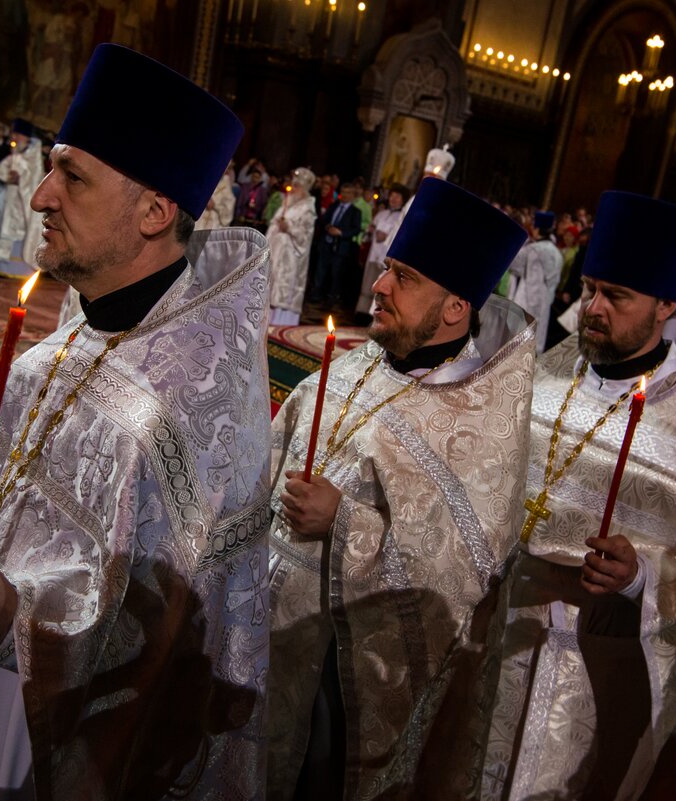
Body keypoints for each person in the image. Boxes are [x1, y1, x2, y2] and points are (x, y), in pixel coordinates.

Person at [0, 44, 270, 800]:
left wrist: (12, 622)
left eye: (72, 176)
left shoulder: (192, 402)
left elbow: (176, 635)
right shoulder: (69, 339)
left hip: (70, 741)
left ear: (155, 211)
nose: (41, 196)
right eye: (51, 169)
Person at [266, 177, 531, 800]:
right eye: (387, 269)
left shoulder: (482, 421)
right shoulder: (356, 365)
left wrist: (345, 523)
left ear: (456, 308)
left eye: (403, 277)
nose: (380, 286)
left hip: (345, 670)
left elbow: (463, 572)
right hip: (266, 630)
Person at [486, 191, 676, 801]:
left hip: (590, 657)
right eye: (589, 290)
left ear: (666, 306)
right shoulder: (545, 379)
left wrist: (639, 578)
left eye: (616, 296)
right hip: (497, 631)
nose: (593, 309)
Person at [0, 118, 44, 276]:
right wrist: (5, 177)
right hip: (9, 201)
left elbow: (35, 180)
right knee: (5, 228)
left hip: (23, 205)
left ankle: (20, 270)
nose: (15, 138)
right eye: (14, 134)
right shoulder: (13, 155)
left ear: (27, 137)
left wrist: (21, 179)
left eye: (18, 134)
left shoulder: (34, 158)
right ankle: (1, 267)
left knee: (19, 233)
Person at [266, 168, 318, 325]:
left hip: (291, 257)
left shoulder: (308, 209)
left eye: (297, 186)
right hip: (276, 253)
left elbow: (305, 236)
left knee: (284, 288)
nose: (292, 189)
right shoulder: (287, 202)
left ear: (304, 189)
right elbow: (274, 223)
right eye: (292, 185)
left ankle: (281, 323)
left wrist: (289, 228)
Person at [509, 210, 563, 353]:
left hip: (527, 303)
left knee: (517, 346)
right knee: (535, 344)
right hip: (544, 304)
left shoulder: (534, 251)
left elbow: (514, 265)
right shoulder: (556, 252)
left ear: (537, 228)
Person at [354, 184, 406, 320]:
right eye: (392, 196)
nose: (393, 199)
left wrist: (387, 235)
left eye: (397, 196)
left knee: (382, 286)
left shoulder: (402, 217)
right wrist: (370, 230)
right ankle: (361, 313)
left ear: (403, 199)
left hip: (386, 258)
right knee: (367, 283)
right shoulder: (382, 214)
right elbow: (371, 229)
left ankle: (375, 316)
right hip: (373, 255)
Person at [309, 187, 361, 314]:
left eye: (348, 192)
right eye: (343, 192)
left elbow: (356, 229)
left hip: (341, 247)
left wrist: (341, 233)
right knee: (320, 271)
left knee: (336, 274)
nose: (345, 195)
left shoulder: (355, 211)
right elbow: (323, 220)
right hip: (326, 243)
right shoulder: (333, 206)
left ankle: (331, 299)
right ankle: (315, 296)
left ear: (353, 195)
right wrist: (328, 227)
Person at [195, 164, 236, 230]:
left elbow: (228, 214)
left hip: (214, 224)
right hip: (198, 222)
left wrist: (215, 205)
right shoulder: (203, 178)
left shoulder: (226, 184)